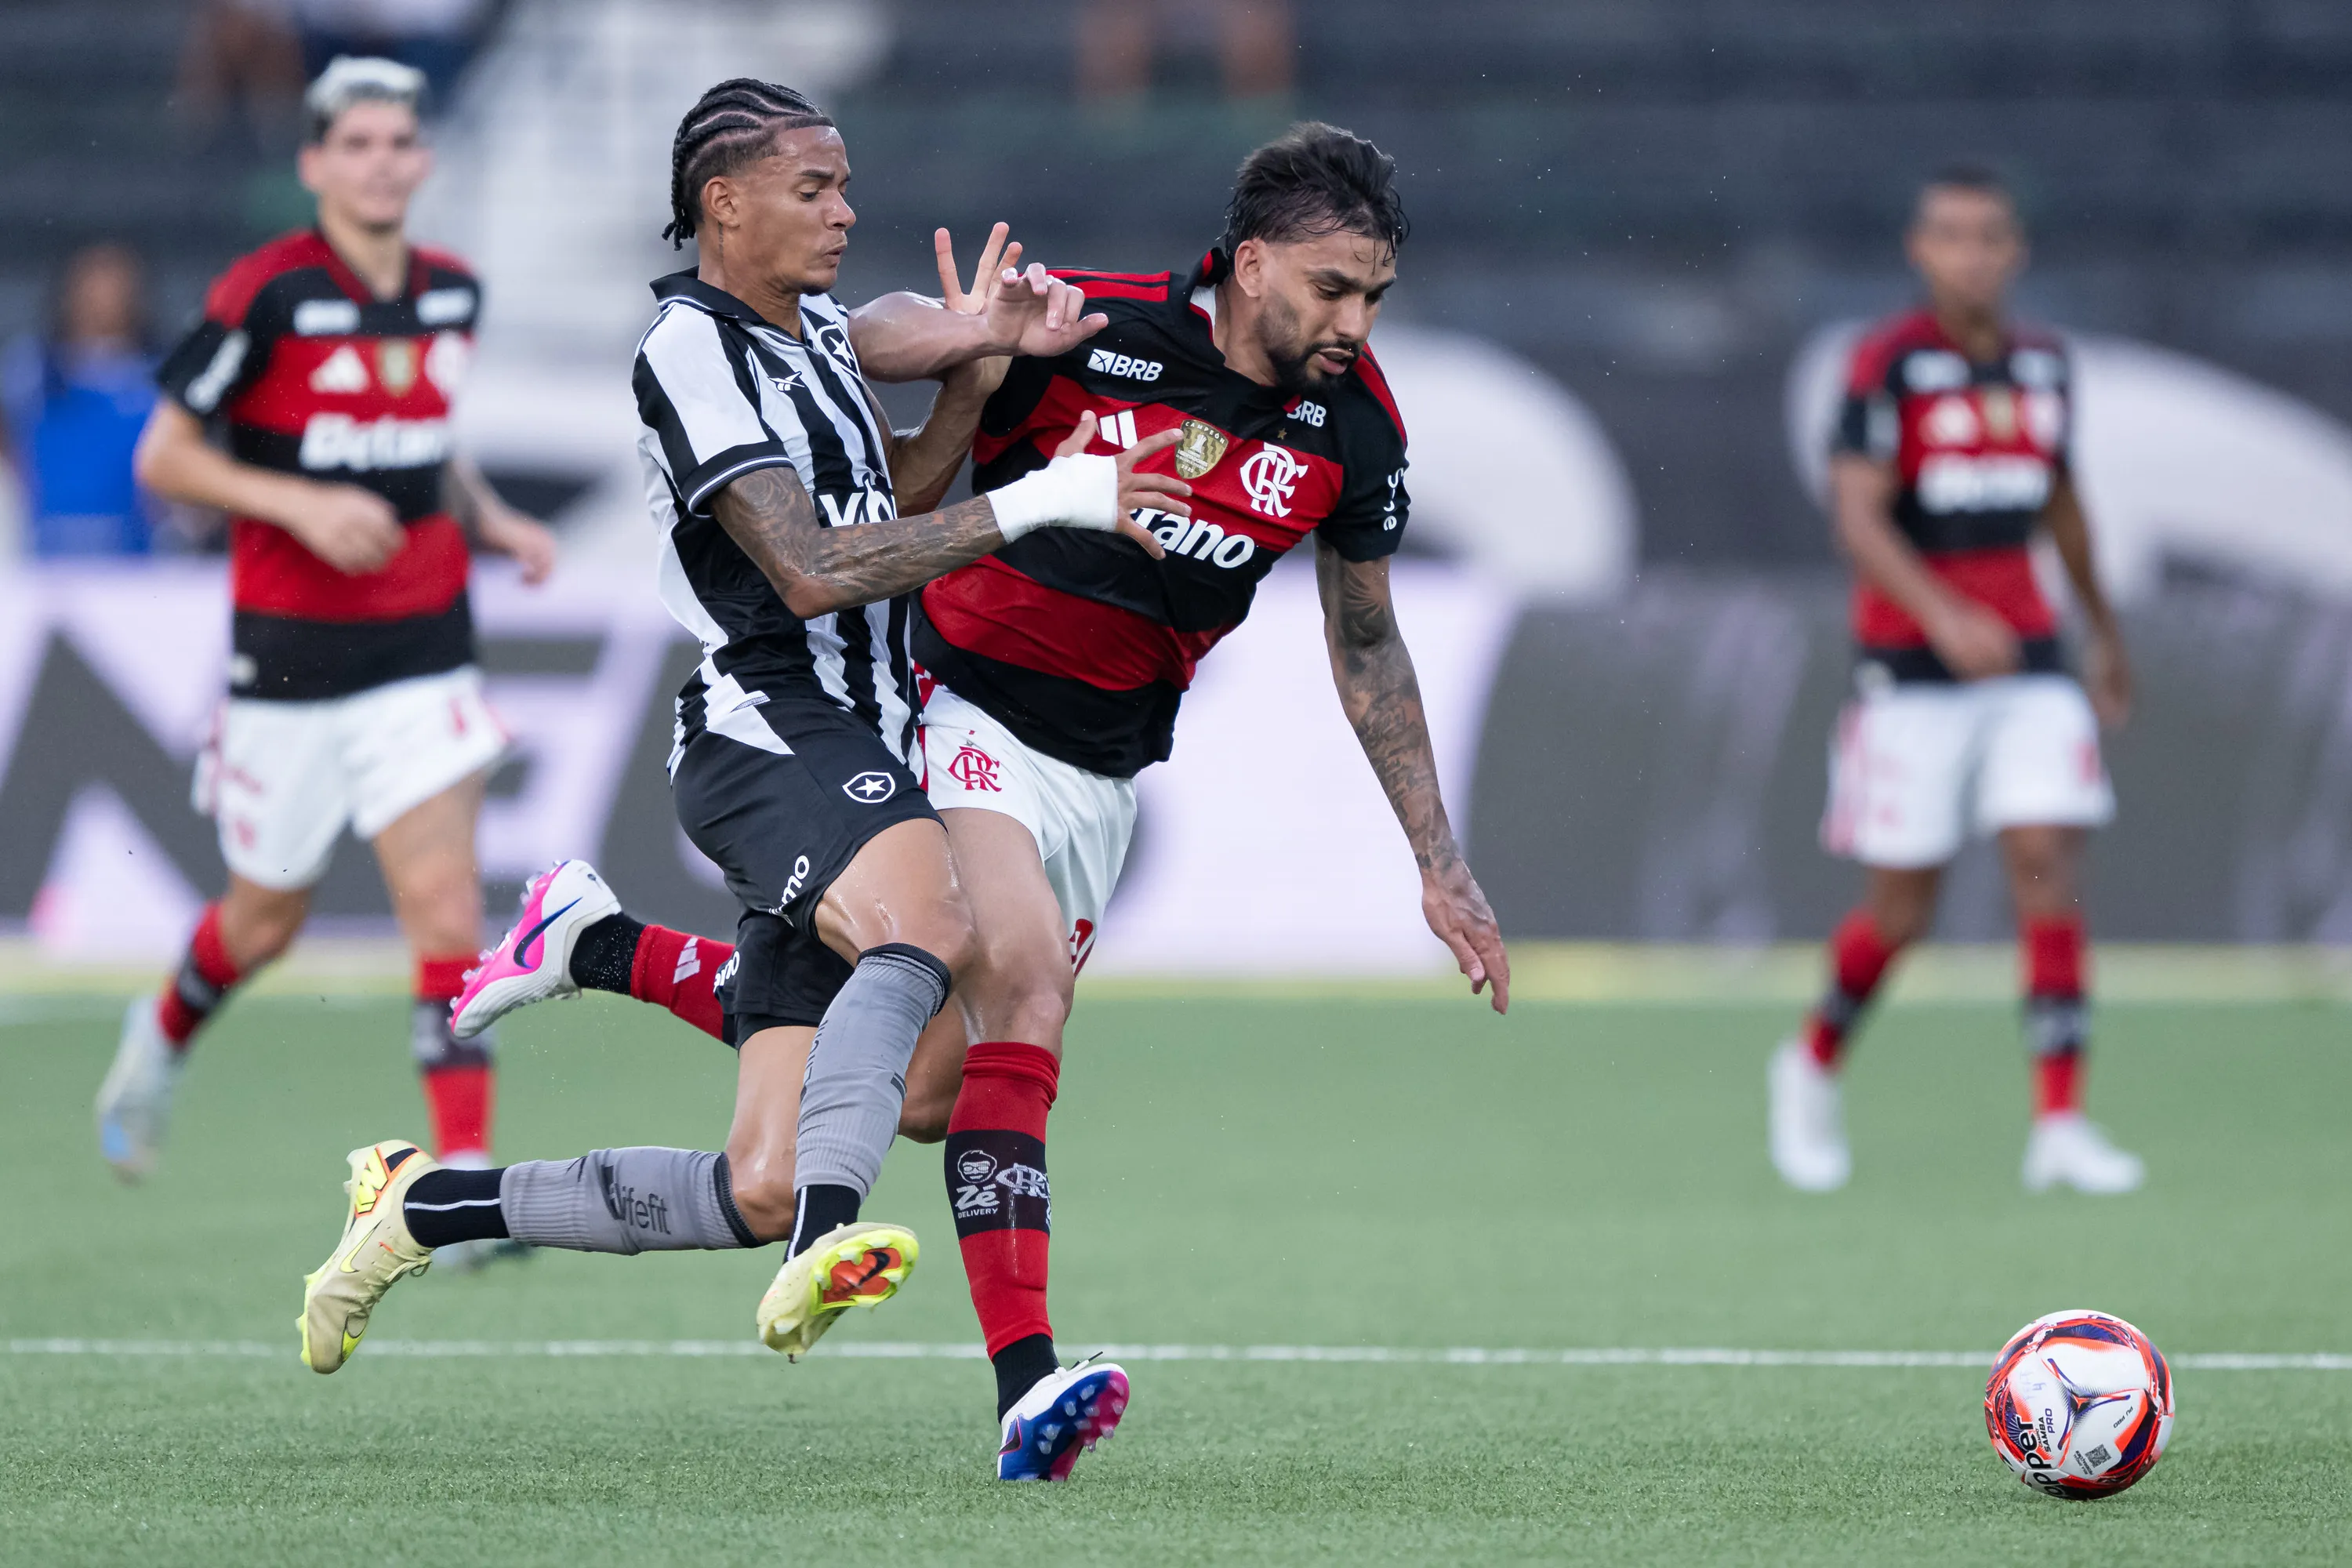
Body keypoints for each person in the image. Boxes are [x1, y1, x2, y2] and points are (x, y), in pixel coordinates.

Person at [448, 121, 1512, 1481]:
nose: (1354, 323)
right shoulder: (1100, 330)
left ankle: (604, 947)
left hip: (1105, 772)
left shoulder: (1352, 431)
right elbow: (865, 338)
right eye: (1331, 290)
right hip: (956, 710)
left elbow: (1365, 641)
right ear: (1251, 266)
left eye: (1375, 298)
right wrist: (970, 334)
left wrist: (1439, 858)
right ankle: (1029, 1386)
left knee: (931, 1095)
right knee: (1025, 995)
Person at [300, 79, 1185, 1410]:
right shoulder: (688, 349)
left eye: (844, 187)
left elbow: (888, 507)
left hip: (860, 730)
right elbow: (817, 572)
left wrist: (979, 374)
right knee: (930, 928)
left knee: (761, 1177)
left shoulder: (815, 329)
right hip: (771, 721)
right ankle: (835, 1237)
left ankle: (427, 1206)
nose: (846, 212)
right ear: (725, 202)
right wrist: (1050, 495)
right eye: (814, 189)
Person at [92, 59, 557, 1240]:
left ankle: (459, 1182)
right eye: (356, 143)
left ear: (424, 157)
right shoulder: (267, 292)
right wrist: (296, 504)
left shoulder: (452, 293)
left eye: (399, 140)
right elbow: (165, 457)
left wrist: (489, 517)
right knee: (265, 921)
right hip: (287, 669)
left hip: (425, 649)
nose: (381, 160)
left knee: (445, 907)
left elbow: (426, 436)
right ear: (314, 165)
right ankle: (160, 1039)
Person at [1768, 165, 2142, 1196]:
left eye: (1990, 236)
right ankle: (1808, 1064)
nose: (1972, 253)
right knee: (1902, 910)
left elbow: (2064, 508)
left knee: (2045, 859)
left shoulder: (2046, 366)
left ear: (2014, 251)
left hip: (2030, 662)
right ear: (1920, 251)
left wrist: (2104, 634)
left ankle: (2060, 1119)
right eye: (1952, 235)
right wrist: (1941, 611)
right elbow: (1857, 515)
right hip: (1911, 672)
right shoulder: (1885, 366)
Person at [1, 245, 165, 557]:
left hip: (138, 558)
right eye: (93, 283)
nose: (104, 296)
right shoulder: (29, 370)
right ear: (70, 290)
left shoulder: (159, 376)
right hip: (45, 552)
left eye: (115, 284)